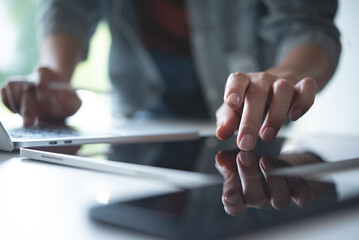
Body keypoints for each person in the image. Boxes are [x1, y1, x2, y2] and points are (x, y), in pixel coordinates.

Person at [0, 0, 341, 151]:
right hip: (140, 106)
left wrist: (280, 78)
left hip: (249, 116)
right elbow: (68, 6)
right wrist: (53, 77)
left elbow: (307, 24)